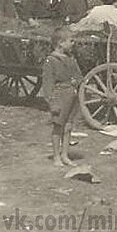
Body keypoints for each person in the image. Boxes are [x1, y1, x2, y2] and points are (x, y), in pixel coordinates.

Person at [41, 29, 83, 167]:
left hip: (72, 94)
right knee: (58, 126)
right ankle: (56, 156)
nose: (73, 43)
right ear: (60, 43)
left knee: (69, 126)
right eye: (70, 41)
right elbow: (47, 84)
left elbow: (79, 76)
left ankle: (65, 155)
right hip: (59, 95)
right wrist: (52, 102)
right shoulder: (51, 61)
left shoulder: (71, 58)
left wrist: (76, 82)